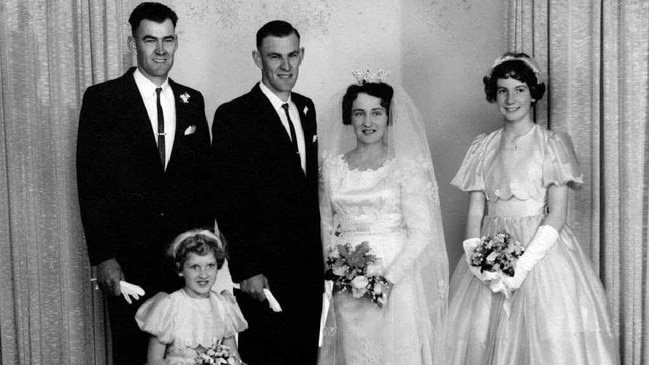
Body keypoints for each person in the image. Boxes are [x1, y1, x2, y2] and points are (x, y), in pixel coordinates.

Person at [446, 53, 619, 364]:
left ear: (533, 93)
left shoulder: (551, 143)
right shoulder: (483, 146)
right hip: (491, 252)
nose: (511, 99)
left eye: (519, 89)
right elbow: (475, 212)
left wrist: (521, 267)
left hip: (541, 255)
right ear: (493, 94)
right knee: (480, 338)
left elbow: (557, 214)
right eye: (502, 90)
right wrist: (477, 261)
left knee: (546, 338)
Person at [76, 2, 212, 363]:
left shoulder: (192, 101)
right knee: (134, 352)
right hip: (128, 261)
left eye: (168, 39)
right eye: (150, 40)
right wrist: (103, 257)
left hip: (180, 259)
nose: (161, 50)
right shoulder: (103, 100)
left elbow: (202, 182)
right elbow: (91, 183)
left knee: (184, 352)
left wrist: (204, 252)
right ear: (132, 42)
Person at [211, 20, 323, 364]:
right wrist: (247, 268)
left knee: (304, 355)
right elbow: (229, 199)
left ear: (301, 55)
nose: (286, 66)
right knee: (267, 354)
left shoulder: (306, 108)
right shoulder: (234, 115)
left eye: (292, 56)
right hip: (263, 272)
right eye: (275, 57)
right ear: (258, 59)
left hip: (307, 268)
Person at [318, 72, 449, 364]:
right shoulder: (333, 167)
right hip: (346, 280)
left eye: (376, 113)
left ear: (388, 117)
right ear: (348, 118)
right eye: (359, 113)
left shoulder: (405, 165)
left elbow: (422, 231)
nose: (368, 122)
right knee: (353, 351)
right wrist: (337, 268)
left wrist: (387, 279)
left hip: (394, 276)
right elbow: (326, 224)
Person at [136, 229, 248, 365]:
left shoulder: (223, 304)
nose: (203, 275)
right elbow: (154, 360)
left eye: (210, 266)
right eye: (194, 267)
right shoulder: (168, 305)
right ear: (180, 269)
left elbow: (233, 357)